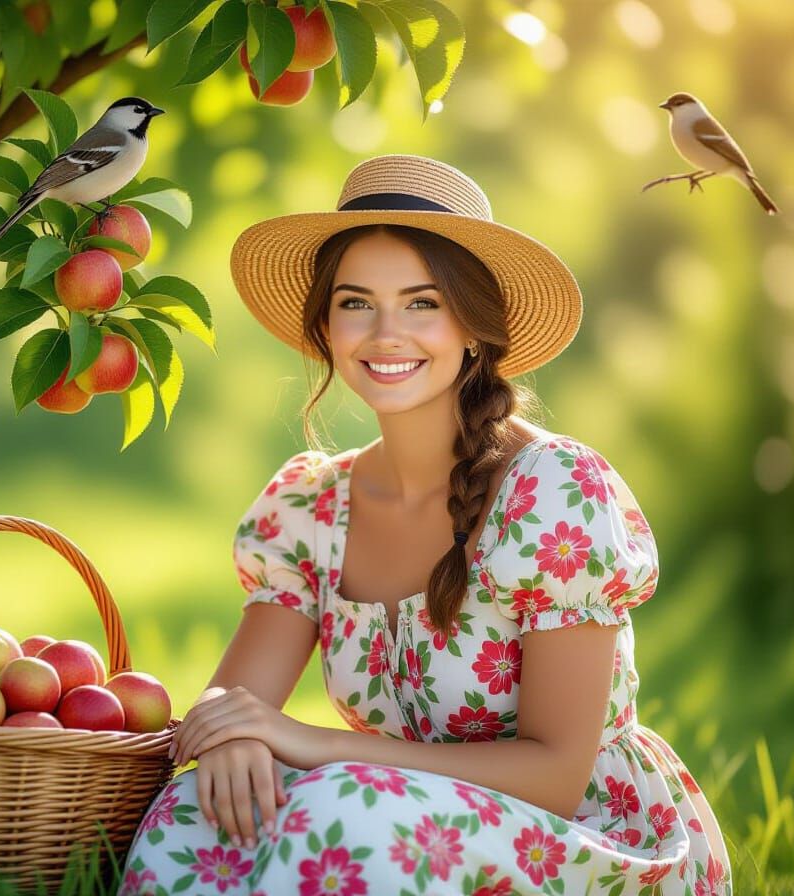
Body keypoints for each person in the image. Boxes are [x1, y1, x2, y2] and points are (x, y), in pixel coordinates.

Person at [118, 155, 732, 895]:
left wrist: (310, 743)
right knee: (196, 804)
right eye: (355, 302)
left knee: (344, 806)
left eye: (422, 303)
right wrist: (229, 739)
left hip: (580, 839)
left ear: (473, 327)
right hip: (394, 813)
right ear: (325, 326)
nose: (386, 333)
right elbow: (234, 700)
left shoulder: (552, 490)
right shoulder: (311, 507)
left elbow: (556, 777)